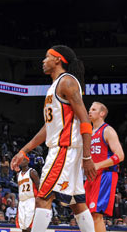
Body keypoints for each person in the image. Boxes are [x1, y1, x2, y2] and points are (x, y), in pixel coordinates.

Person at [11, 45, 96, 232]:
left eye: (47, 57)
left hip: (64, 149)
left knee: (43, 197)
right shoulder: (55, 86)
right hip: (63, 148)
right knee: (77, 203)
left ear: (58, 60)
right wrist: (23, 150)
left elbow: (85, 120)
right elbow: (48, 129)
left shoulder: (67, 82)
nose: (43, 61)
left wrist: (87, 157)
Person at [85, 102, 124, 232]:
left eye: (94, 109)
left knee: (96, 214)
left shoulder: (108, 130)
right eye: (89, 109)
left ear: (102, 114)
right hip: (91, 176)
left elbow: (120, 155)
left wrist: (98, 165)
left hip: (105, 175)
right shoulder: (88, 133)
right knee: (86, 214)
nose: (89, 111)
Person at [16, 158, 39, 232]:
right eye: (20, 160)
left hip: (31, 199)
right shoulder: (18, 174)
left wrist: (39, 199)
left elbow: (39, 186)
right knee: (23, 225)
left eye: (24, 160)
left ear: (28, 161)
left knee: (29, 224)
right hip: (22, 201)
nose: (21, 161)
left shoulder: (32, 172)